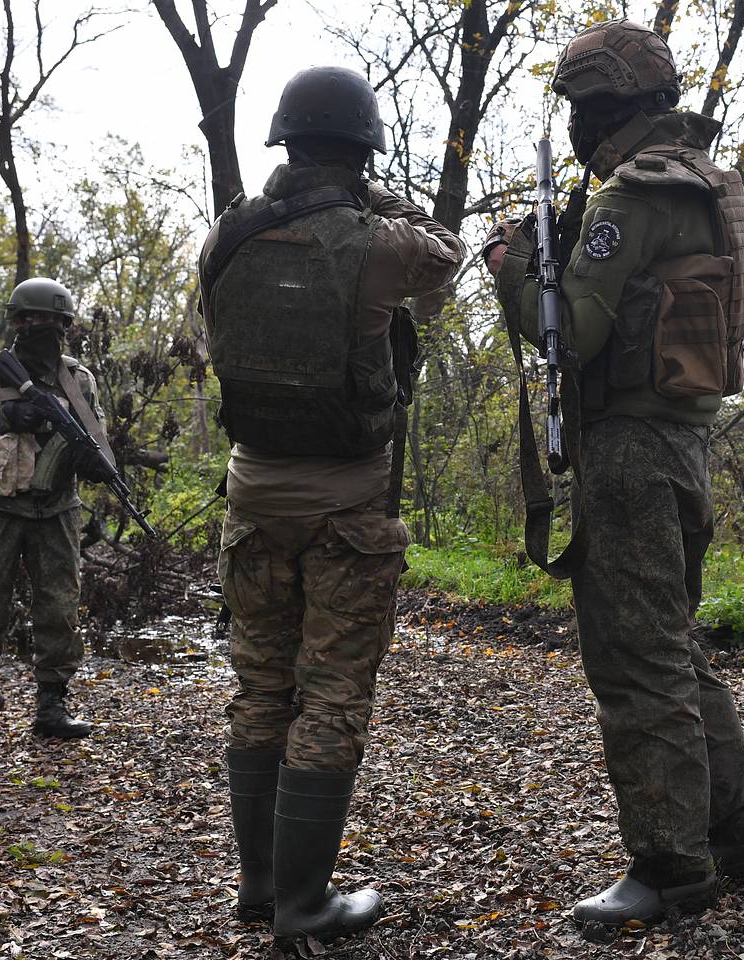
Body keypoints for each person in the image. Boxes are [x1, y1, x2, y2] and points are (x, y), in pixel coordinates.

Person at [486, 19, 744, 927]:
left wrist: (512, 267)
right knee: (678, 647)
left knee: (637, 660)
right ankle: (734, 839)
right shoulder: (711, 189)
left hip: (631, 454)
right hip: (685, 444)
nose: (574, 125)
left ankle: (670, 864)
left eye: (581, 107)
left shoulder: (627, 199)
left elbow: (572, 331)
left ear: (611, 107)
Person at [198, 66, 463, 945]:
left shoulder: (228, 234)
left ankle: (259, 885)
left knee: (259, 687)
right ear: (361, 150)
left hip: (252, 497)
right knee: (332, 697)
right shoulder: (382, 241)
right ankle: (305, 903)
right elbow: (447, 254)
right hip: (347, 505)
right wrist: (379, 191)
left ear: (283, 144)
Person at [0, 278, 113, 741]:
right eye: (33, 318)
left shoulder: (78, 380)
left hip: (57, 509)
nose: (43, 327)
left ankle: (52, 703)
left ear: (66, 325)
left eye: (54, 321)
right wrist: (4, 417)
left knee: (59, 608)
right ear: (16, 322)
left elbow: (101, 446)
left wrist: (91, 460)